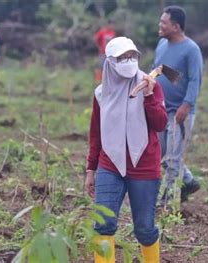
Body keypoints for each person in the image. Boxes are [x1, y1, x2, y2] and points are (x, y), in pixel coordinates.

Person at [85, 36, 167, 263]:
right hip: (109, 164)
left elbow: (160, 124)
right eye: (122, 57)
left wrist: (149, 96)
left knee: (144, 229)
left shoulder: (149, 84)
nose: (129, 61)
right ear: (110, 62)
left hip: (144, 166)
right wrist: (91, 170)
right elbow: (96, 133)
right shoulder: (101, 93)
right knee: (103, 224)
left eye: (133, 56)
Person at [153, 6, 203, 205]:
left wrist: (187, 104)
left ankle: (169, 200)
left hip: (180, 112)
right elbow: (165, 72)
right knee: (164, 155)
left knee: (173, 157)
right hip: (161, 108)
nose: (160, 25)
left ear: (175, 26)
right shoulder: (162, 45)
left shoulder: (191, 49)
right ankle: (188, 181)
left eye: (163, 22)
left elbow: (194, 79)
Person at [93, 20, 116, 84]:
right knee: (101, 66)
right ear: (108, 25)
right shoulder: (102, 32)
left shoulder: (112, 33)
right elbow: (96, 39)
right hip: (103, 52)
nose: (112, 26)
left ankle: (107, 81)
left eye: (113, 25)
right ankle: (98, 81)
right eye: (111, 25)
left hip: (110, 53)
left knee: (110, 67)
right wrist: (99, 46)